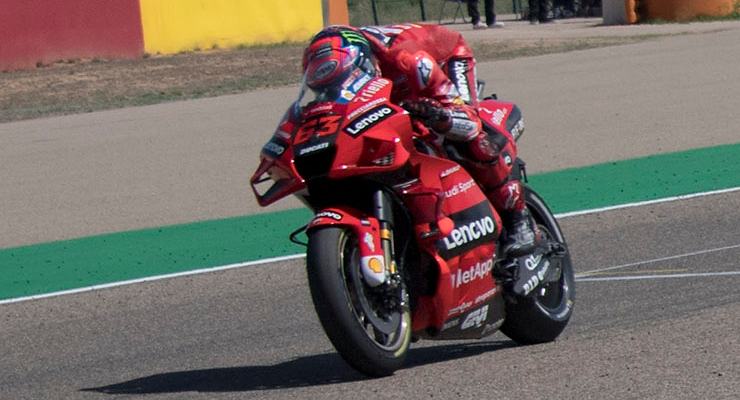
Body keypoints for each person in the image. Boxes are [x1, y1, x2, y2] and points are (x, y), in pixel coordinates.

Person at [301, 24, 539, 256]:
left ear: (367, 64)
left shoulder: (409, 58)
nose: (337, 91)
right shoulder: (336, 75)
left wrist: (441, 116)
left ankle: (519, 218)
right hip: (394, 86)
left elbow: (466, 122)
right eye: (326, 88)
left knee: (471, 135)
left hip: (444, 64)